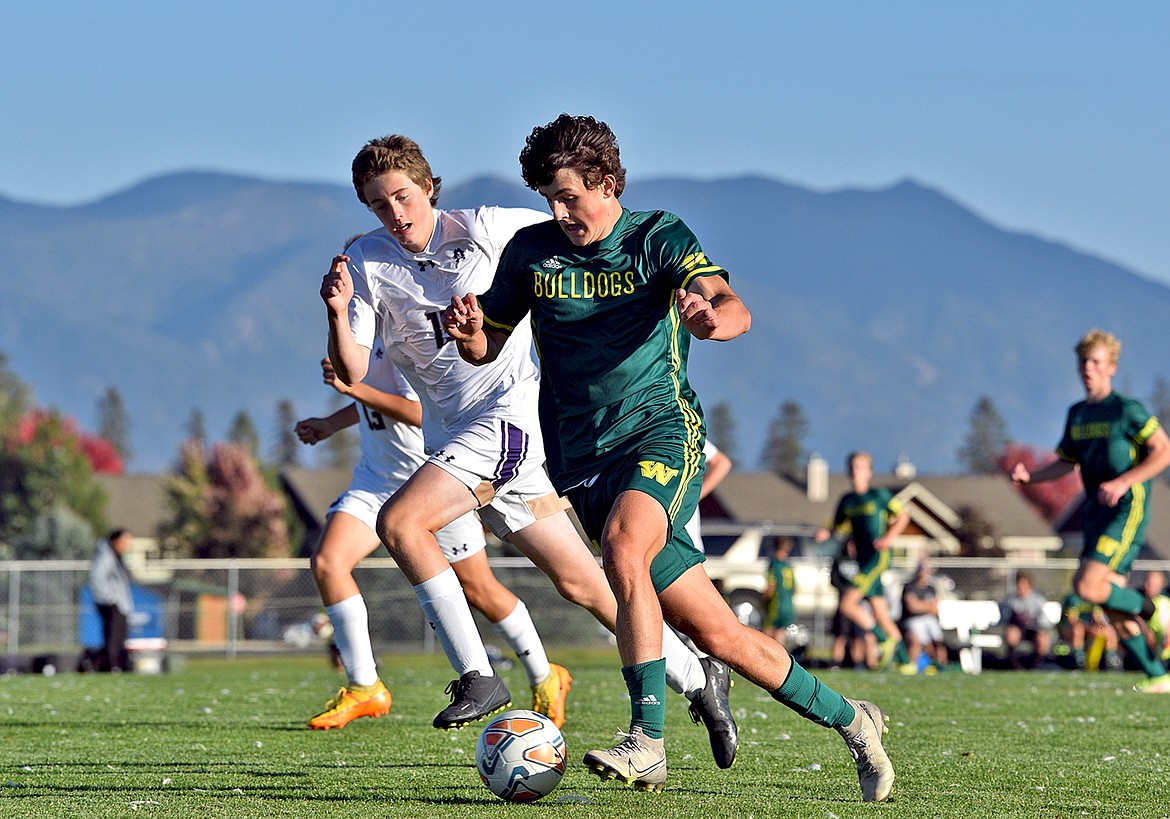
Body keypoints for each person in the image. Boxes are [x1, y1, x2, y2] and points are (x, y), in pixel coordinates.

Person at [445, 114, 894, 801]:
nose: (558, 211)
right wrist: (472, 334)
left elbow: (731, 306)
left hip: (662, 433)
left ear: (609, 183)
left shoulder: (658, 237)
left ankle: (646, 740)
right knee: (719, 631)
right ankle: (853, 720)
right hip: (581, 462)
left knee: (624, 550)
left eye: (569, 196)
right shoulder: (532, 253)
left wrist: (712, 321)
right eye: (548, 198)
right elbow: (487, 344)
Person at [321, 134, 737, 766]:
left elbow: (583, 223)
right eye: (379, 205)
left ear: (429, 187)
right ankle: (698, 676)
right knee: (582, 583)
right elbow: (351, 366)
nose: (396, 214)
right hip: (449, 438)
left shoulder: (490, 228)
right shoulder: (367, 261)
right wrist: (338, 308)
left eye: (404, 196)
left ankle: (477, 676)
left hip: (508, 418)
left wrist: (652, 288)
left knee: (401, 522)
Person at [295, 339, 569, 730]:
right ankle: (364, 685)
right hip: (375, 482)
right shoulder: (365, 336)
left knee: (480, 590)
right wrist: (330, 424)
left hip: (431, 483)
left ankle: (545, 676)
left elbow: (416, 410)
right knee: (328, 562)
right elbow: (371, 402)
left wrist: (353, 388)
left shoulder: (408, 337)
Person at [1011, 328, 1170, 692]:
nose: (1088, 368)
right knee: (1109, 601)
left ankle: (1152, 609)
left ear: (1111, 367)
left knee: (1086, 585)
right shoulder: (1078, 414)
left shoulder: (1126, 410)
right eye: (1084, 361)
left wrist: (1124, 481)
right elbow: (1066, 462)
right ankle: (1158, 675)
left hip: (1126, 510)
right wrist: (1031, 477)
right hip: (1096, 513)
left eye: (1096, 362)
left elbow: (1164, 450)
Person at [816, 451, 910, 668]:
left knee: (847, 605)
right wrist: (826, 533)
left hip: (877, 559)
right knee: (881, 613)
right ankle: (906, 663)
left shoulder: (880, 495)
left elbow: (903, 516)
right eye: (852, 466)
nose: (855, 470)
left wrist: (888, 537)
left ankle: (883, 639)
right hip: (862, 560)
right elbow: (837, 527)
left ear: (869, 472)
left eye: (860, 466)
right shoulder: (847, 500)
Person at [88, 529, 134, 673]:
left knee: (120, 636)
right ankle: (110, 666)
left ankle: (119, 665)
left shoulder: (116, 557)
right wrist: (110, 598)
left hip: (120, 603)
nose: (127, 545)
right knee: (112, 637)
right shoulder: (105, 556)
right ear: (115, 541)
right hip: (110, 603)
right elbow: (96, 578)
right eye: (124, 541)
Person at [898, 561, 947, 673]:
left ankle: (941, 666)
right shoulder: (909, 587)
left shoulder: (931, 589)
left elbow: (935, 608)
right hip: (913, 620)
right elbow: (912, 607)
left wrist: (921, 605)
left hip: (929, 620)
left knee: (938, 641)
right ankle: (912, 666)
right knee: (917, 641)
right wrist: (927, 606)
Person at [1001, 572, 1053, 670]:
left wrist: (1040, 629)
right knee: (1011, 633)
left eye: (1022, 584)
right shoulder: (1011, 600)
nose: (1020, 587)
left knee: (1042, 640)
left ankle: (1035, 665)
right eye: (1018, 584)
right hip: (1018, 630)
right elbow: (1005, 619)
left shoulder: (1038, 600)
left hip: (1034, 630)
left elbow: (1044, 621)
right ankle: (1013, 665)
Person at [761, 537, 796, 646]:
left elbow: (771, 586)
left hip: (776, 604)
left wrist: (763, 600)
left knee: (767, 632)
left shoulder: (774, 564)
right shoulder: (789, 566)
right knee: (780, 633)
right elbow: (794, 588)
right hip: (788, 604)